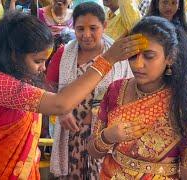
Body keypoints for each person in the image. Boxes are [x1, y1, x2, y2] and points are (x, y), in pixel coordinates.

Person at [0, 12, 147, 179]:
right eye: (38, 61)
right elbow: (59, 104)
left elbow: (58, 102)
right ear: (13, 55)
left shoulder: (20, 78)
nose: (43, 68)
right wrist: (108, 59)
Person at [87, 16, 187, 179]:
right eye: (133, 56)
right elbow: (93, 152)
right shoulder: (115, 90)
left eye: (149, 56)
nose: (137, 65)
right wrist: (108, 136)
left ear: (170, 57)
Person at [46, 2, 133, 178]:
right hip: (71, 136)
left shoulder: (118, 58)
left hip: (105, 137)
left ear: (105, 26)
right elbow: (49, 87)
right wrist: (61, 112)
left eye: (93, 28)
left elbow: (129, 95)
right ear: (73, 28)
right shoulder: (64, 53)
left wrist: (96, 117)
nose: (86, 35)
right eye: (80, 29)